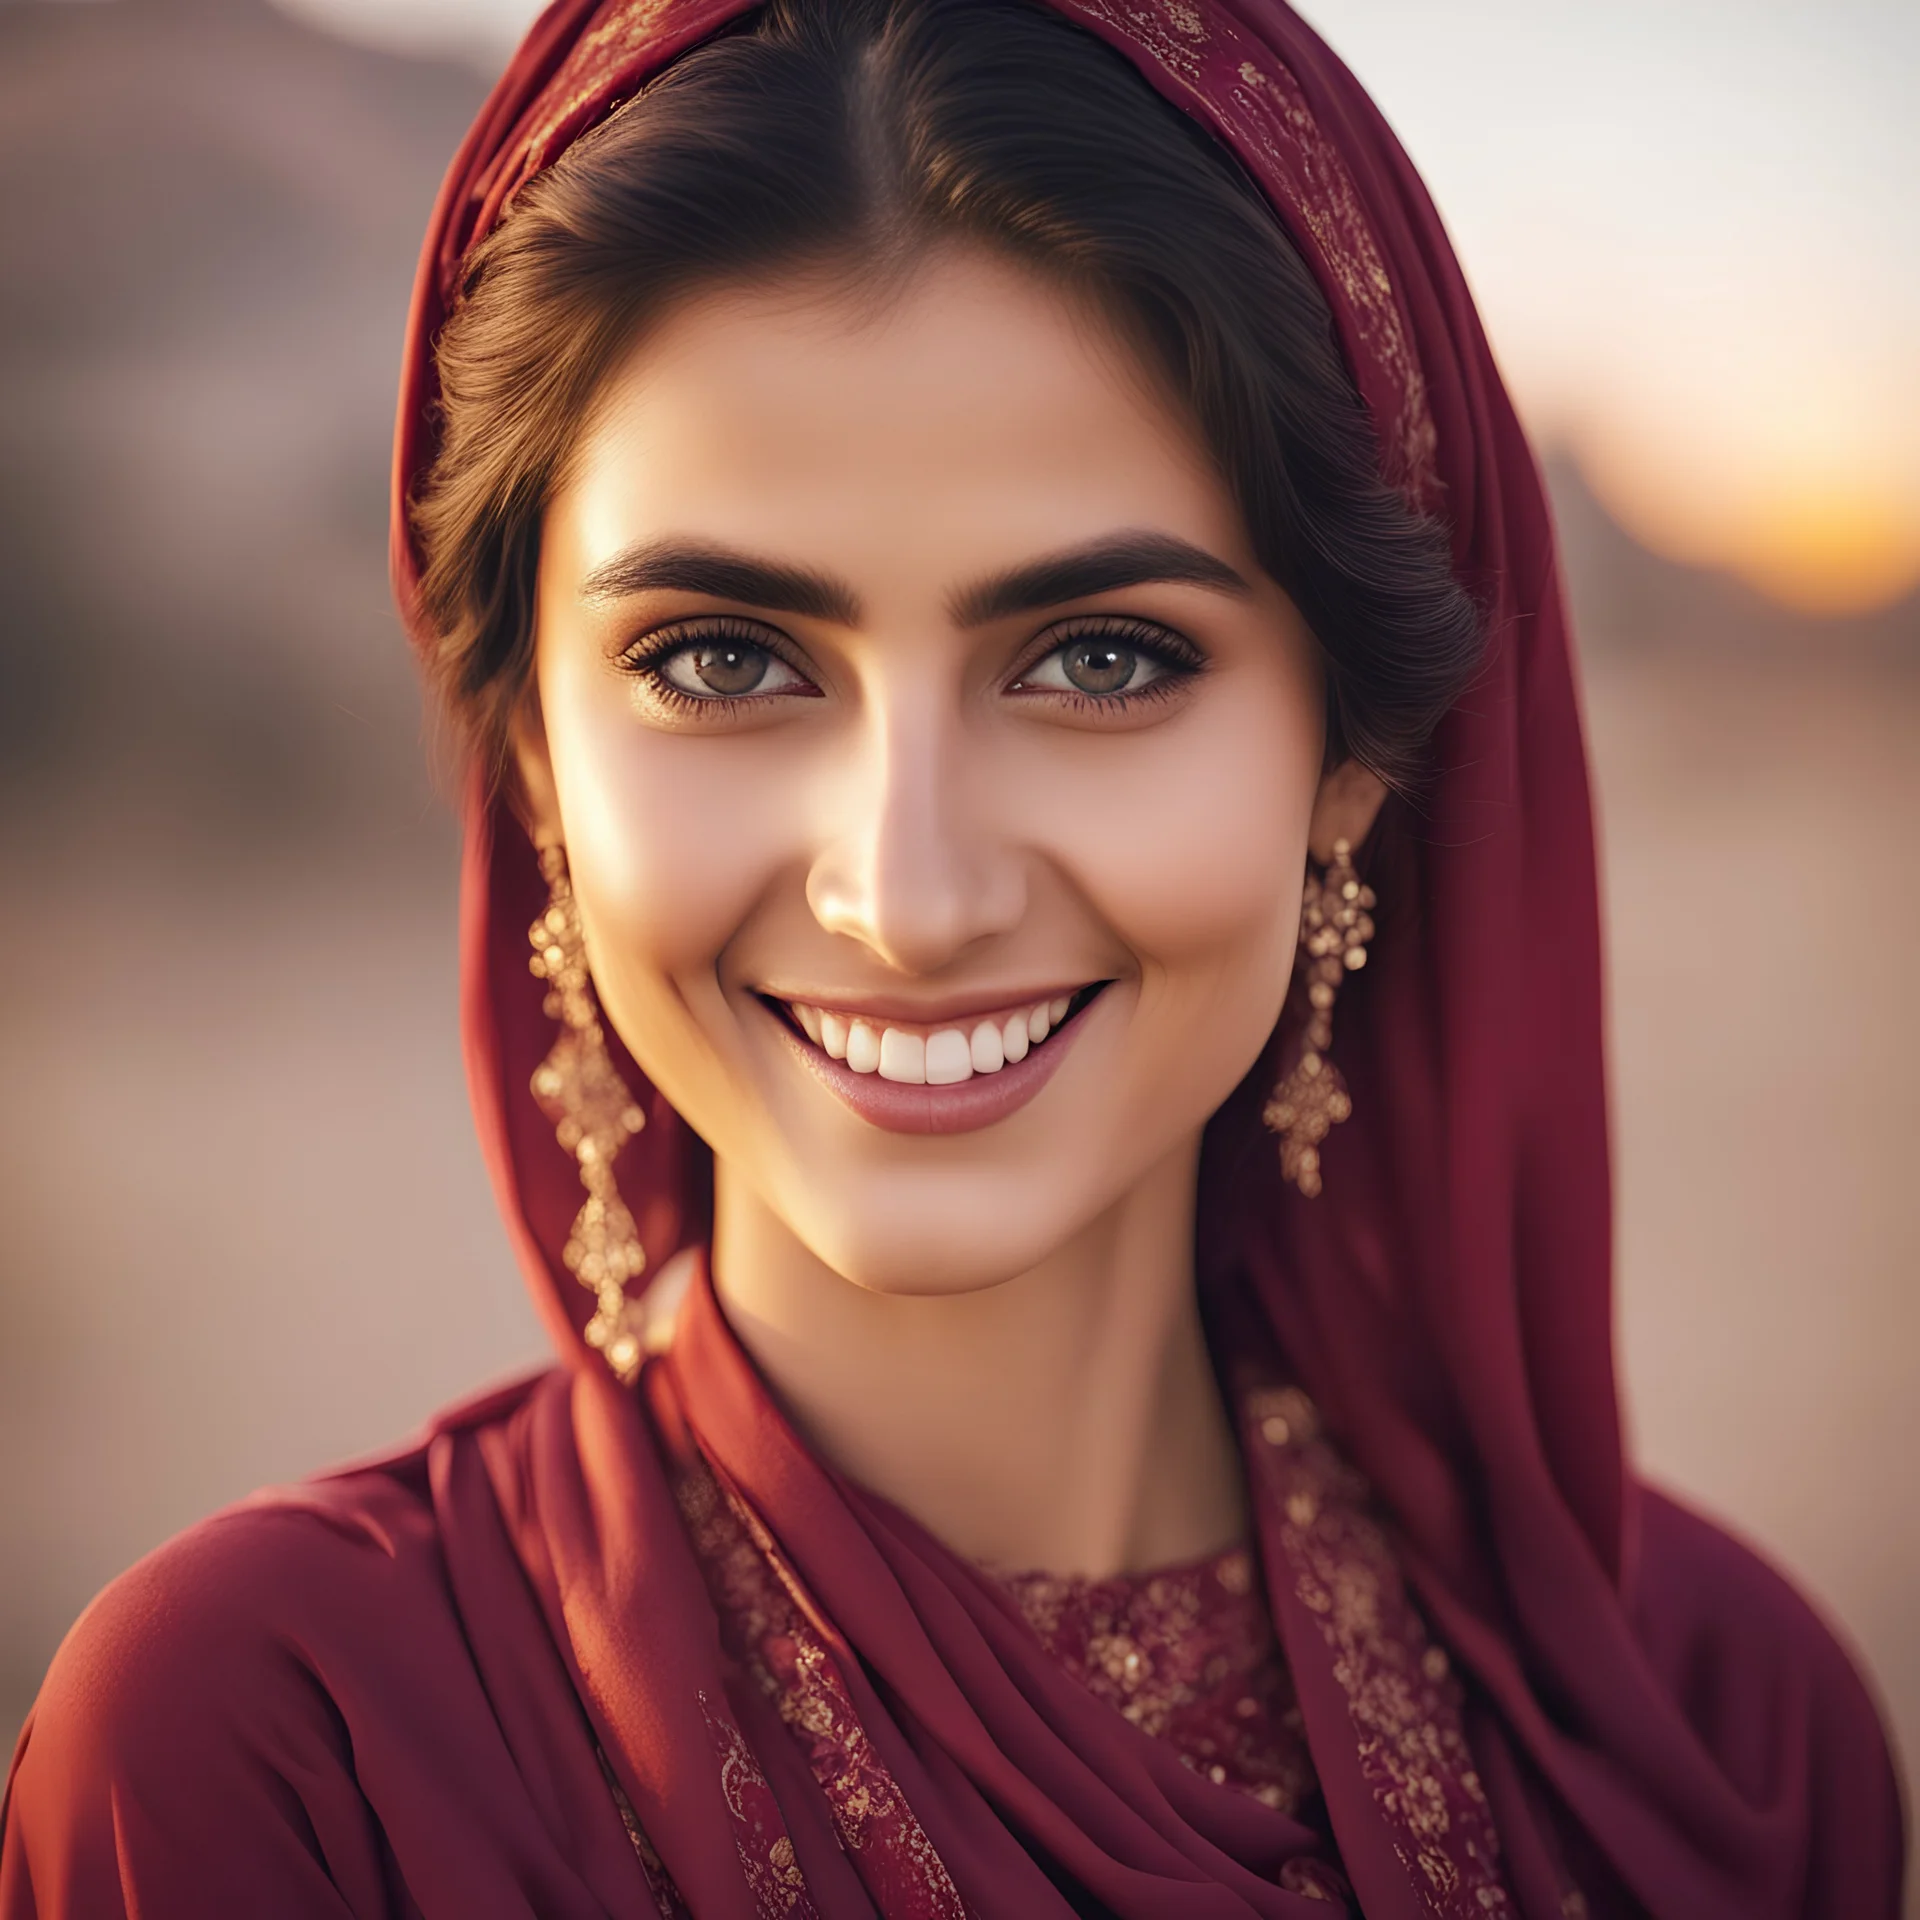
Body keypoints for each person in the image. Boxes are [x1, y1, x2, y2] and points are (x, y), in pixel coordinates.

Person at [2, 0, 1903, 1913]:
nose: (906, 899)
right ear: (534, 768)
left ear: (1346, 761)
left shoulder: (1719, 1731)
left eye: (1101, 658)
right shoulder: (275, 1760)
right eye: (723, 660)